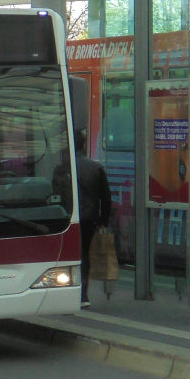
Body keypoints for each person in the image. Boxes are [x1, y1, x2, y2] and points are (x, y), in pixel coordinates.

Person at [73, 130, 113, 307]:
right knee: (84, 254)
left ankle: (66, 290)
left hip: (66, 218)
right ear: (83, 145)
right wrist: (103, 221)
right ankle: (83, 295)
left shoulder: (62, 167)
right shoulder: (96, 167)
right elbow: (106, 198)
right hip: (89, 218)